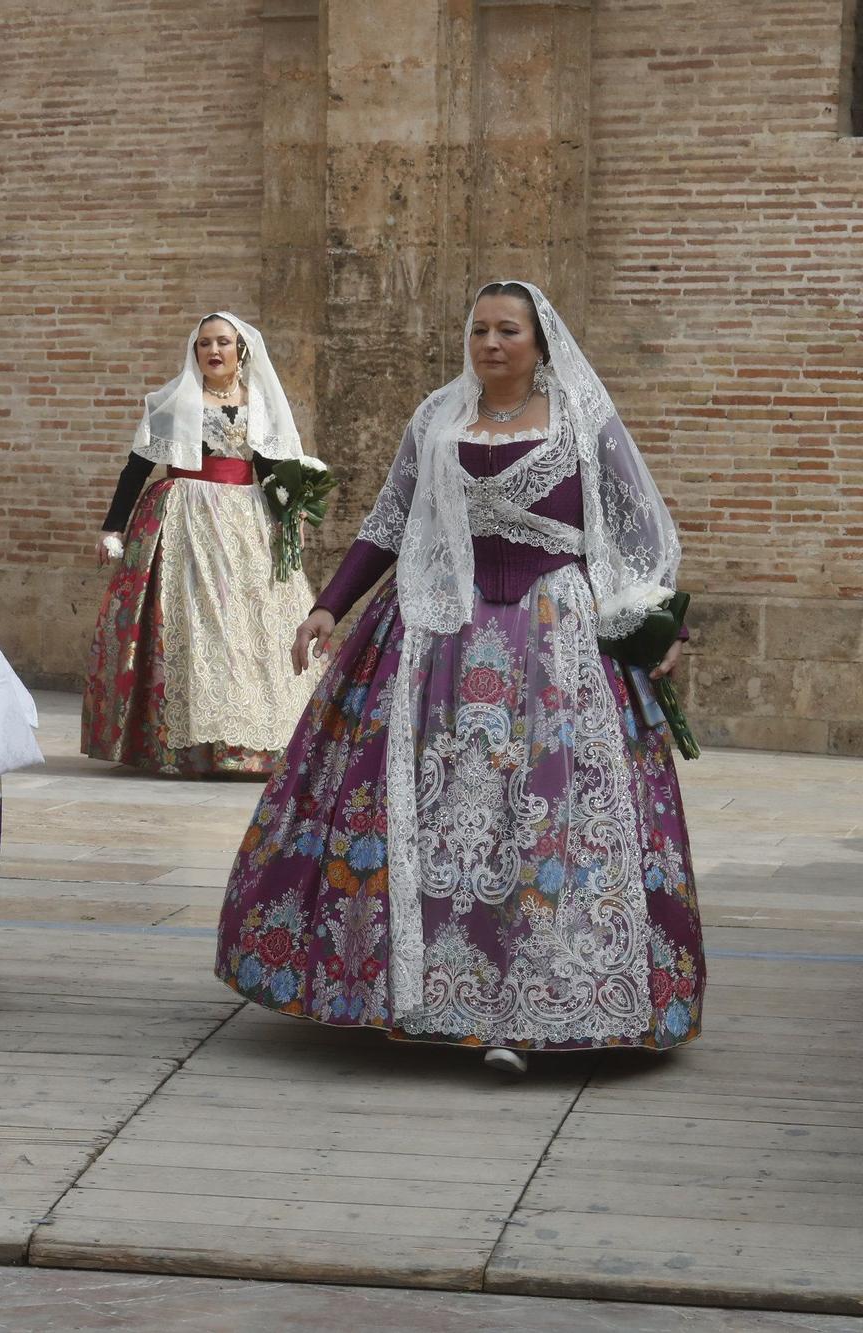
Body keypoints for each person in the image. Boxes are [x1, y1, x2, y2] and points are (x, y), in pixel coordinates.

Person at [214, 281, 702, 1073]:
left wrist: (667, 623)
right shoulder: (437, 417)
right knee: (435, 814)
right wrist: (330, 607)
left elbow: (642, 527)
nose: (491, 343)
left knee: (546, 814)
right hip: (438, 630)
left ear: (541, 342)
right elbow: (389, 520)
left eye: (508, 330)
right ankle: (422, 991)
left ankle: (542, 1000)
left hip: (558, 638)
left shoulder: (583, 418)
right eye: (479, 329)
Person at [82, 314, 319, 777]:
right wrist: (113, 528)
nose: (215, 351)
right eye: (205, 344)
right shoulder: (171, 404)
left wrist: (291, 515)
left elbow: (270, 470)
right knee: (191, 620)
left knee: (245, 621)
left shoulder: (259, 405)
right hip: (181, 517)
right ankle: (185, 744)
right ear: (195, 353)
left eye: (224, 343)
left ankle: (253, 739)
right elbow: (136, 470)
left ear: (241, 351)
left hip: (243, 522)